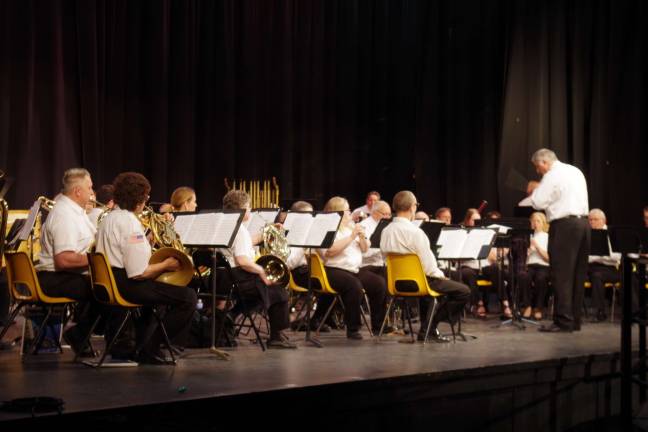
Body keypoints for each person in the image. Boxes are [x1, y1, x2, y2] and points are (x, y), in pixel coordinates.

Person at [96, 172, 197, 363]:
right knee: (188, 298)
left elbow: (127, 250)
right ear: (139, 199)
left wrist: (147, 241)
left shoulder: (110, 218)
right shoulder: (130, 223)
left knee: (158, 300)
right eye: (146, 196)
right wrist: (167, 264)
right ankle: (150, 347)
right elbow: (139, 273)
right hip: (127, 285)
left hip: (110, 281)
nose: (147, 200)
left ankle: (142, 345)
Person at [380, 191, 470, 342]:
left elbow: (385, 258)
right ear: (412, 207)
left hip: (397, 283)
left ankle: (427, 330)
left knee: (429, 294)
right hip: (420, 282)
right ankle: (430, 326)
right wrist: (441, 275)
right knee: (463, 291)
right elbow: (428, 266)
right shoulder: (416, 232)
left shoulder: (386, 231)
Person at [36, 168, 103, 357]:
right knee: (105, 289)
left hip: (64, 276)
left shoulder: (75, 211)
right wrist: (100, 261)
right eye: (90, 188)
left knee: (107, 284)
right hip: (54, 278)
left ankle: (80, 331)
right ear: (78, 192)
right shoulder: (64, 215)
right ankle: (78, 333)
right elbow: (64, 260)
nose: (92, 193)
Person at [216, 189, 296, 348]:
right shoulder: (240, 230)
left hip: (222, 278)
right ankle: (276, 338)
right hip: (237, 278)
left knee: (264, 292)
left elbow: (241, 244)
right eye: (249, 207)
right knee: (278, 290)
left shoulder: (226, 225)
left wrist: (265, 234)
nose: (251, 210)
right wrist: (261, 271)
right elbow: (243, 260)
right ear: (242, 209)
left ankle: (231, 315)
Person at [530, 148, 589, 332]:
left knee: (561, 274)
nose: (538, 172)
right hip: (583, 225)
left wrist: (536, 189)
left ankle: (563, 321)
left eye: (537, 168)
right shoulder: (575, 170)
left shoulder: (551, 175)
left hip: (565, 226)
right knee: (578, 274)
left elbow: (538, 203)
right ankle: (574, 321)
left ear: (543, 163)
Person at [319, 196, 387, 339]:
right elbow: (330, 251)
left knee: (379, 283)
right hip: (334, 270)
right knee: (354, 287)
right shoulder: (328, 229)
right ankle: (353, 328)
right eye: (347, 210)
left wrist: (362, 237)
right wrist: (351, 236)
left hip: (354, 270)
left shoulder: (350, 227)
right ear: (337, 212)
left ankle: (378, 326)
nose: (350, 213)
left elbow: (365, 249)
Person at [587, 208, 620, 322]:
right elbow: (585, 257)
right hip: (590, 268)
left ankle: (599, 311)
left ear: (603, 221)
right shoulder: (588, 234)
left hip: (610, 269)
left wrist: (598, 257)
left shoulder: (612, 234)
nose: (592, 222)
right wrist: (601, 256)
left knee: (597, 275)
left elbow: (616, 257)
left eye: (595, 220)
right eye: (590, 220)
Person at [517, 212, 551, 320]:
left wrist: (536, 247)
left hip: (543, 265)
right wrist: (526, 252)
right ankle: (527, 306)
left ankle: (538, 307)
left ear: (543, 223)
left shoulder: (547, 237)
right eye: (533, 221)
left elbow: (548, 258)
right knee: (523, 276)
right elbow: (521, 258)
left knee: (541, 278)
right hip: (530, 265)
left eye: (538, 221)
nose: (535, 223)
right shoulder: (527, 236)